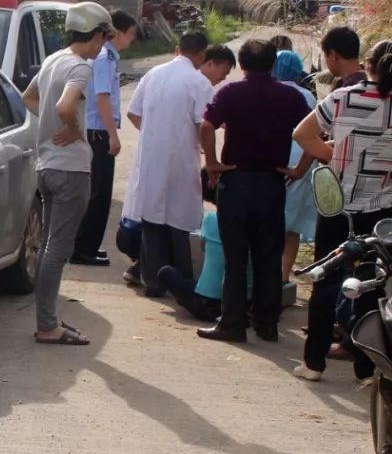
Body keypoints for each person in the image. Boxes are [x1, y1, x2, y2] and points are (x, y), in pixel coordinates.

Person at [290, 39, 392, 381]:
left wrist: (336, 155)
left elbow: (302, 134)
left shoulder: (344, 97)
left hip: (338, 207)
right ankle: (367, 366)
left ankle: (313, 363)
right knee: (372, 284)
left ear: (369, 64)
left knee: (327, 279)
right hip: (383, 214)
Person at [198, 40, 312, 343]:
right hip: (271, 183)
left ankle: (232, 323)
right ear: (273, 63)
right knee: (268, 256)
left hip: (236, 181)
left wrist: (212, 162)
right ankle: (267, 324)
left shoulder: (230, 92)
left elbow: (207, 126)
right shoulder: (290, 96)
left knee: (235, 258)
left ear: (243, 64)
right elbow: (316, 132)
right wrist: (300, 168)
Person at [21, 1, 115, 345]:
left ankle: (49, 320)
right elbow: (63, 105)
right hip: (70, 169)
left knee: (48, 248)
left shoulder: (51, 60)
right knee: (56, 251)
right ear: (97, 35)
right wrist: (73, 129)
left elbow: (28, 97)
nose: (103, 46)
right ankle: (48, 326)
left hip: (46, 166)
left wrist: (49, 127)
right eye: (104, 39)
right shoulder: (79, 67)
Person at [122, 31, 213, 297]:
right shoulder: (199, 82)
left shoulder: (154, 73)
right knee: (180, 219)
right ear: (202, 53)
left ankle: (153, 281)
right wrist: (211, 157)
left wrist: (154, 134)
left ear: (179, 48)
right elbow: (203, 126)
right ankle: (181, 278)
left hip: (151, 156)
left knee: (152, 217)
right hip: (181, 158)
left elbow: (133, 113)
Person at [72, 9, 138, 266]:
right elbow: (102, 97)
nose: (131, 40)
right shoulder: (104, 57)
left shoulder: (108, 56)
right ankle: (82, 249)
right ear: (118, 32)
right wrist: (113, 135)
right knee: (98, 193)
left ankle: (88, 246)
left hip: (98, 129)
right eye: (130, 34)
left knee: (100, 192)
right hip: (98, 131)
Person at [157, 169, 252, 321]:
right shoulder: (251, 224)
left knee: (165, 272)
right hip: (237, 301)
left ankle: (200, 305)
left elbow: (202, 246)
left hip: (205, 297)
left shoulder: (211, 219)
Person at [272, 50, 318, 284]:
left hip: (276, 162)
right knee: (292, 227)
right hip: (303, 163)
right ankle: (283, 276)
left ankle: (266, 275)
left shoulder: (270, 93)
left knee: (270, 222)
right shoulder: (308, 97)